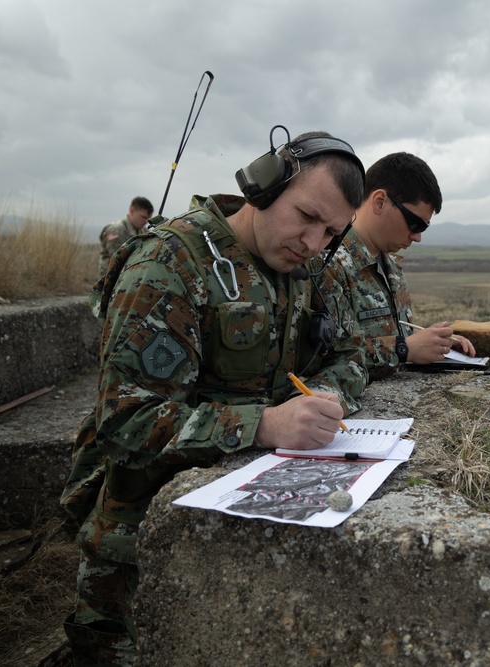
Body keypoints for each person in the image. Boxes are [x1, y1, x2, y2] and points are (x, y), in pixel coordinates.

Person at [61, 130, 367, 665]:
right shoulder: (169, 264)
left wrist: (324, 394)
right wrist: (265, 426)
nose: (313, 243)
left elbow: (350, 353)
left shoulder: (299, 268)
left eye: (331, 233)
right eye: (306, 216)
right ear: (264, 185)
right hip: (141, 547)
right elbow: (127, 420)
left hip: (242, 518)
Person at [313, 152, 474, 382]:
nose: (417, 237)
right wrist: (404, 349)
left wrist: (435, 344)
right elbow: (329, 356)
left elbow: (388, 334)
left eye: (423, 228)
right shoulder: (328, 264)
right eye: (414, 223)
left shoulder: (390, 267)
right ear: (379, 202)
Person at [97, 196, 154, 273]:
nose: (145, 221)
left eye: (148, 218)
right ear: (132, 210)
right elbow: (118, 260)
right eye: (143, 217)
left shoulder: (143, 231)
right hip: (112, 279)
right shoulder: (116, 231)